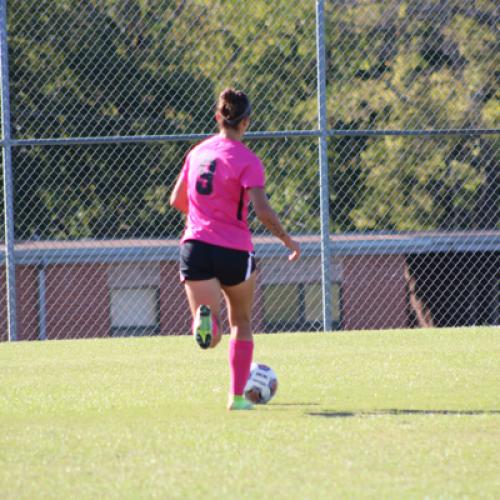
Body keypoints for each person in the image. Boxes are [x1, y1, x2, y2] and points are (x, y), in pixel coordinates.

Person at [170, 88, 301, 410]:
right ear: (246, 123)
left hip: (195, 246)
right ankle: (237, 398)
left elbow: (177, 200)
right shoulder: (248, 160)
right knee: (240, 321)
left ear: (218, 117)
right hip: (233, 251)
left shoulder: (197, 152)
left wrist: (203, 215)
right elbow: (262, 210)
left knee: (210, 337)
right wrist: (287, 240)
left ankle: (205, 319)